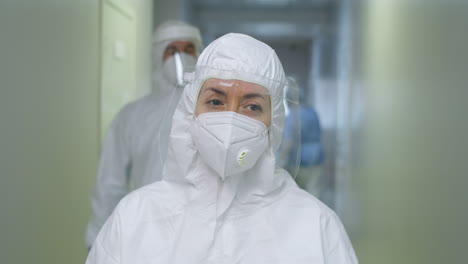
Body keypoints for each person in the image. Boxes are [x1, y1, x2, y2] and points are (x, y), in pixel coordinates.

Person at [86, 33, 358, 263]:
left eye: (252, 106)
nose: (230, 123)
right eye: (216, 102)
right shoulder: (135, 218)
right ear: (190, 111)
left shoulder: (316, 226)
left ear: (273, 123)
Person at [85, 20, 203, 249]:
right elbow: (110, 184)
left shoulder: (214, 111)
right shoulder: (131, 116)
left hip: (204, 234)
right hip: (147, 234)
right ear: (158, 56)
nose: (182, 57)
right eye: (172, 50)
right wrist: (98, 240)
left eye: (188, 49)